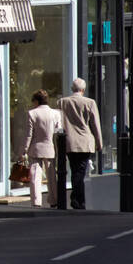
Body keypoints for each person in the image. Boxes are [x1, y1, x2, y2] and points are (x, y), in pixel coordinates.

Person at [58, 78, 103, 209]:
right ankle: (78, 199)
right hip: (85, 141)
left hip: (69, 141)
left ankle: (77, 198)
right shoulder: (90, 103)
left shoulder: (62, 102)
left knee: (75, 169)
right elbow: (95, 124)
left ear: (72, 88)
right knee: (80, 171)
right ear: (83, 90)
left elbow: (59, 123)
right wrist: (99, 142)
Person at [18, 90, 61, 208]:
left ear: (36, 101)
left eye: (33, 101)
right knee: (51, 176)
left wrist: (23, 151)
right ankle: (54, 199)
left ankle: (36, 201)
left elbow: (28, 135)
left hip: (35, 148)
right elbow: (58, 132)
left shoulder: (32, 113)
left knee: (35, 176)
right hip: (50, 147)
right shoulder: (55, 113)